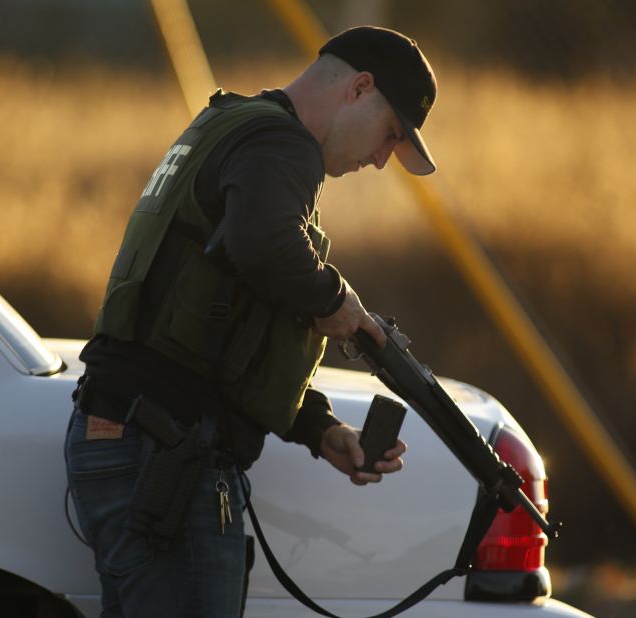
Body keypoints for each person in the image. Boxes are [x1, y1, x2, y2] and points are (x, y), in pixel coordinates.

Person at [64, 25, 438, 618]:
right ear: (360, 89)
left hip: (134, 437)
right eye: (390, 135)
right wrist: (335, 302)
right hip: (163, 451)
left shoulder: (234, 126)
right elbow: (262, 245)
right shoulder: (284, 147)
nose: (380, 159)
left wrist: (318, 429)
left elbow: (221, 326)